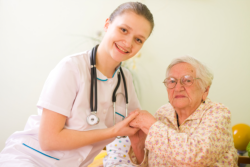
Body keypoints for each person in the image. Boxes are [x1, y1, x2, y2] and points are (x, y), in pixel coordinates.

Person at [0, 2, 154, 167]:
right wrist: (112, 132)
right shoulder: (72, 68)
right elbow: (48, 140)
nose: (128, 43)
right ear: (107, 24)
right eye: (123, 30)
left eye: (138, 40)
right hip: (30, 159)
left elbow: (138, 132)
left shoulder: (126, 80)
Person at [128, 56, 238, 166]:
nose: (178, 88)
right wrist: (138, 145)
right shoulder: (162, 113)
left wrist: (151, 126)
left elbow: (195, 158)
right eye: (172, 81)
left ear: (205, 90)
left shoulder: (218, 113)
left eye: (187, 80)